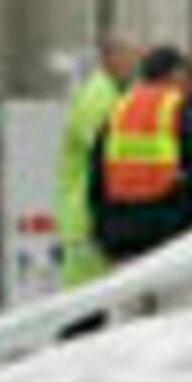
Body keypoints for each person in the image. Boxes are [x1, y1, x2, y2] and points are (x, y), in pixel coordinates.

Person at [92, 42, 192, 269]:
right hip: (171, 234)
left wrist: (103, 234)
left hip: (121, 238)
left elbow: (97, 179)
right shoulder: (179, 111)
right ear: (175, 75)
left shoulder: (119, 110)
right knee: (184, 304)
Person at [55, 30, 135, 286]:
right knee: (84, 307)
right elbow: (106, 152)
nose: (134, 64)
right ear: (111, 58)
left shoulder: (110, 93)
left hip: (90, 213)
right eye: (129, 56)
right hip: (84, 216)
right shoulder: (99, 97)